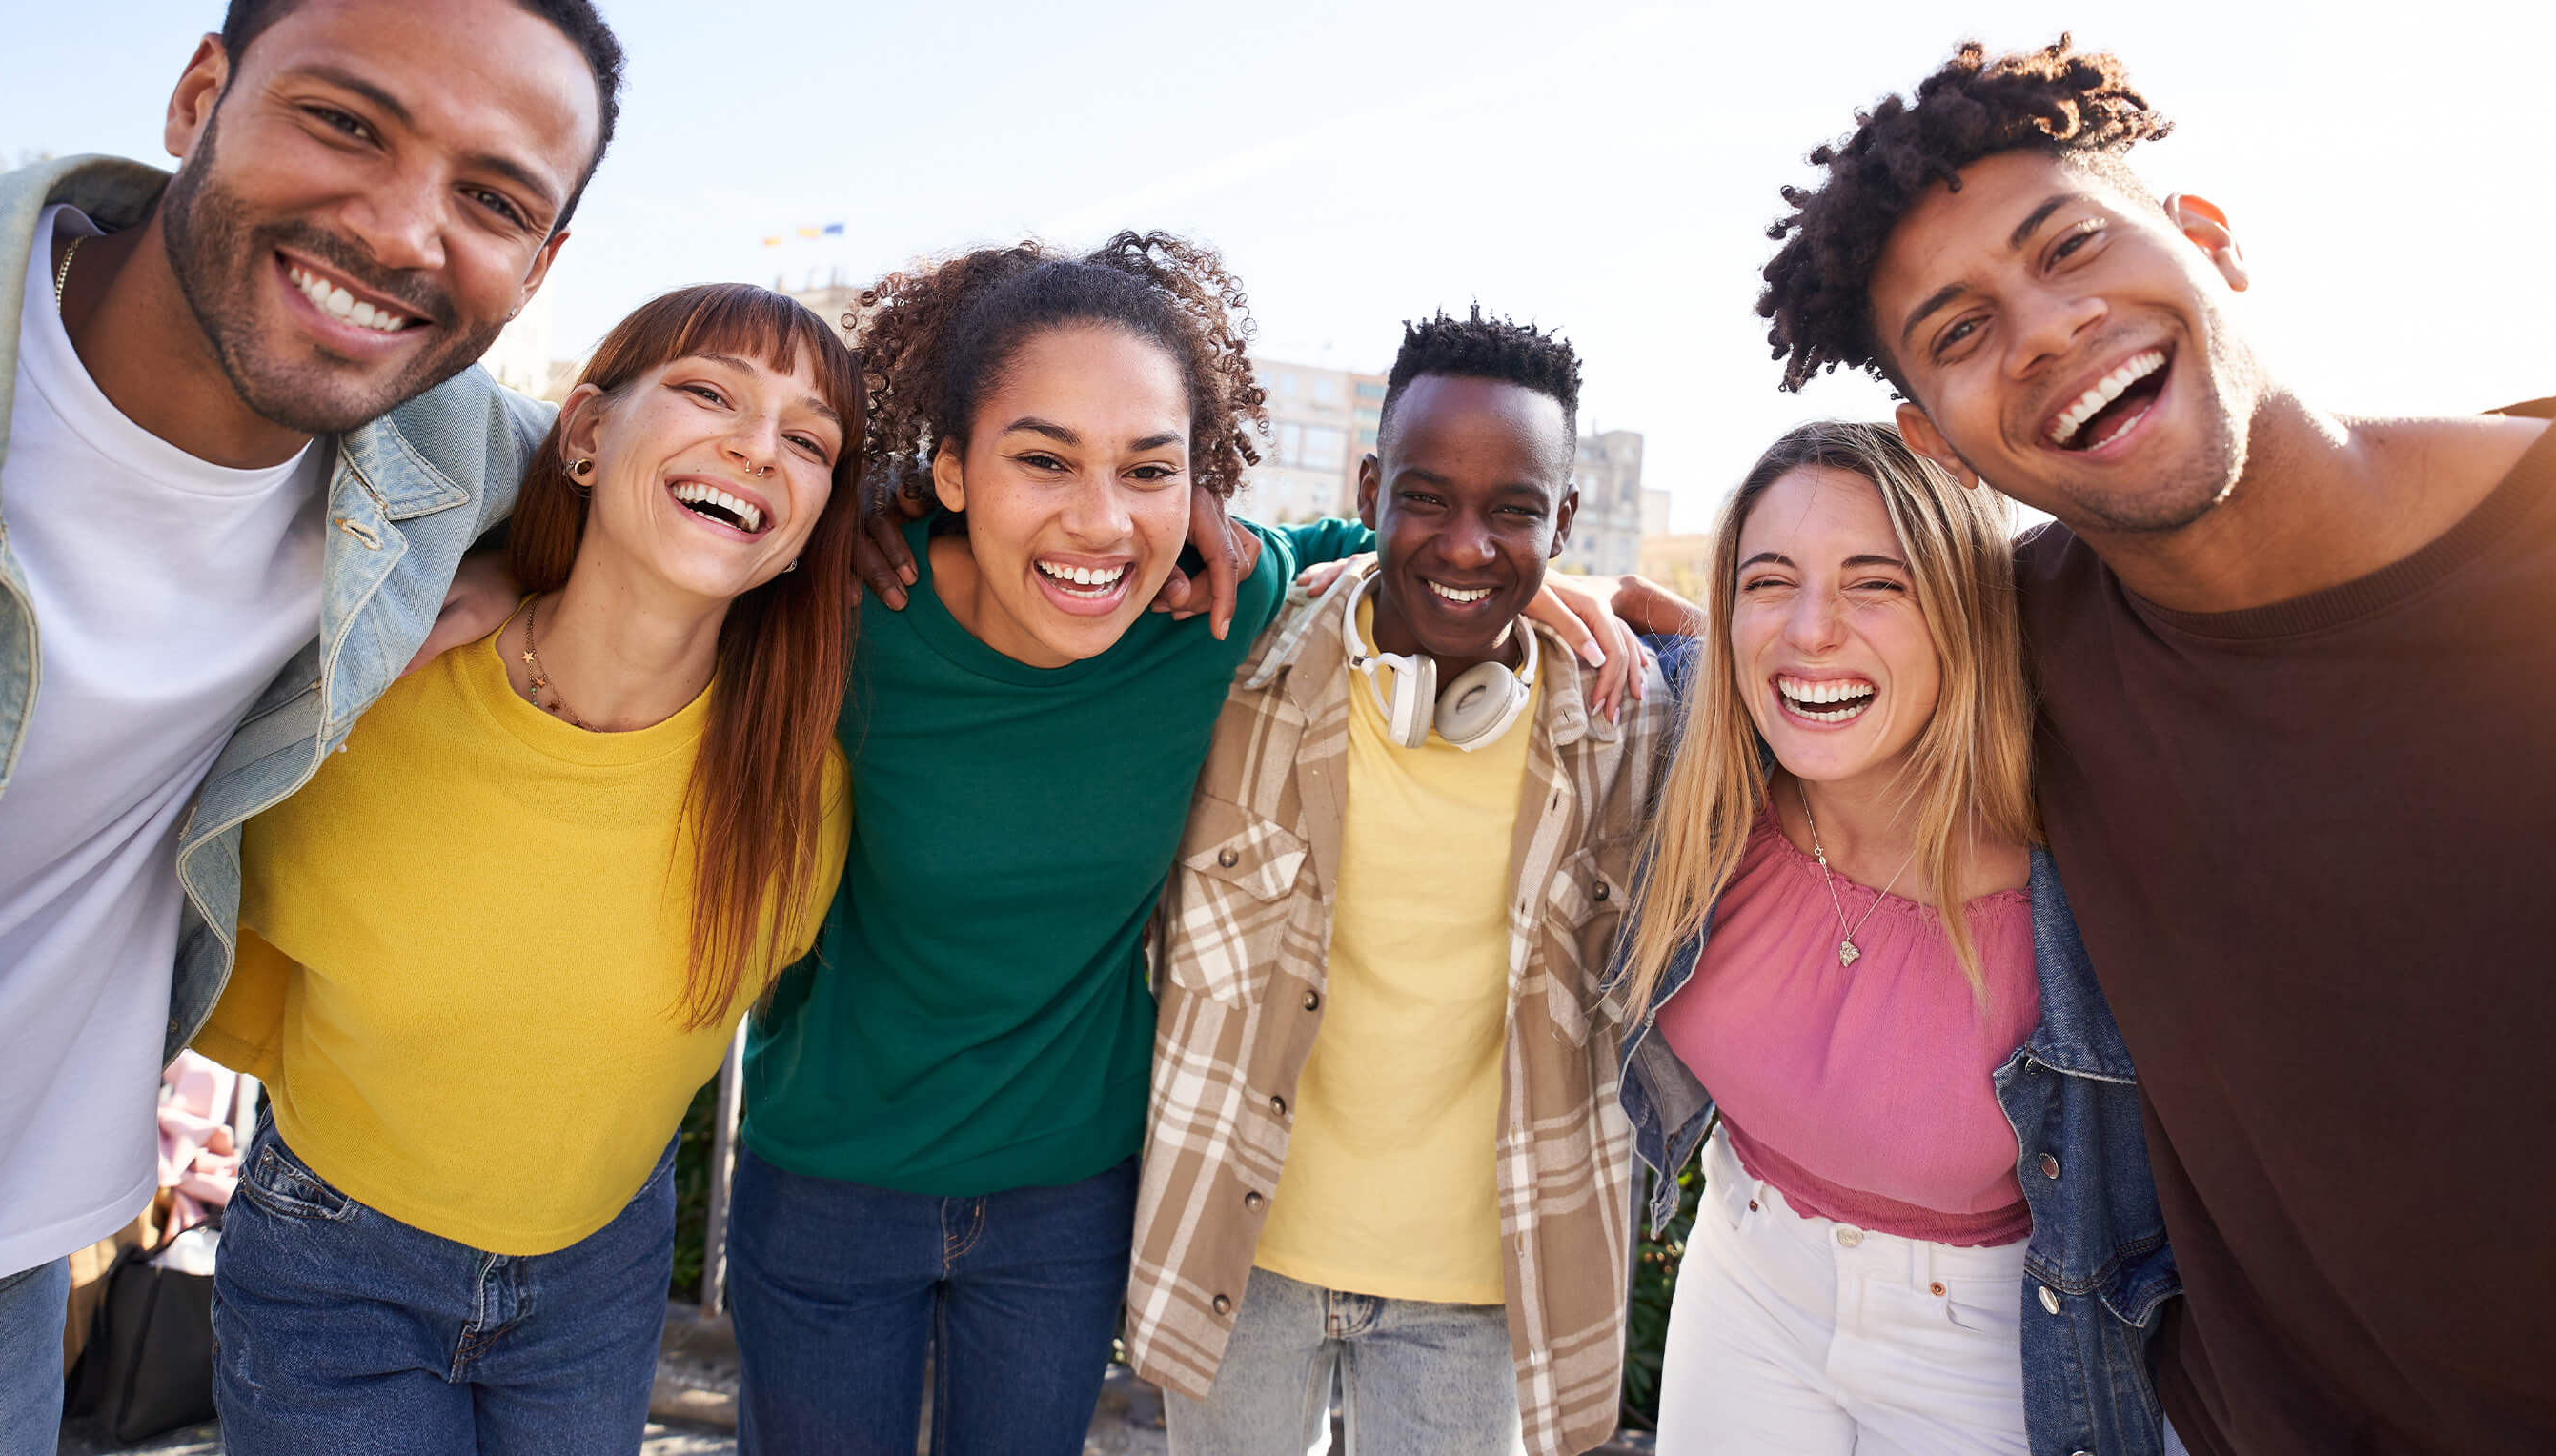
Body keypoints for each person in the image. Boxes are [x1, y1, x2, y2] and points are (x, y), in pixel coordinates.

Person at [1752, 38, 2556, 1453]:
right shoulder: (2018, 646)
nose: (2045, 330)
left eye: (2069, 248)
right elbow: (1797, 682)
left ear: (2210, 242)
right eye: (1961, 331)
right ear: (1935, 444)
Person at [0, 0, 613, 1453]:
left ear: (543, 263)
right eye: (346, 122)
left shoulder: (460, 464)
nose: (400, 230)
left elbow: (724, 505)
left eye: (495, 202)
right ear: (199, 97)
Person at [720, 241, 1637, 1454]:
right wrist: (858, 508)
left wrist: (1591, 591)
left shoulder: (1214, 614)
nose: (1099, 517)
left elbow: (1405, 552)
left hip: (1064, 1204)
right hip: (828, 1187)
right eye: (1043, 458)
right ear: (947, 466)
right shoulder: (838, 615)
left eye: (1149, 469)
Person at [194, 285, 861, 1451]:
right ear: (590, 434)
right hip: (333, 1259)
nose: (759, 447)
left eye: (808, 439)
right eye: (711, 393)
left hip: (604, 1273)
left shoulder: (801, 787)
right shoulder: (378, 690)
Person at [1129, 309, 1674, 1456]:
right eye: (1426, 497)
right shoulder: (1242, 661)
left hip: (1485, 1289)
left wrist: (1673, 618)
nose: (1468, 545)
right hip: (1244, 1255)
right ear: (1370, 486)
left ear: (1563, 521)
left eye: (1515, 511)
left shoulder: (1627, 725)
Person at [1605, 421, 2175, 1456]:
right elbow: (1468, 571)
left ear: (1963, 613)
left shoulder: (2085, 881)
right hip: (1745, 1269)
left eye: (1877, 584)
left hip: (1997, 1338)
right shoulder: (1703, 777)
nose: (1812, 631)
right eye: (1770, 582)